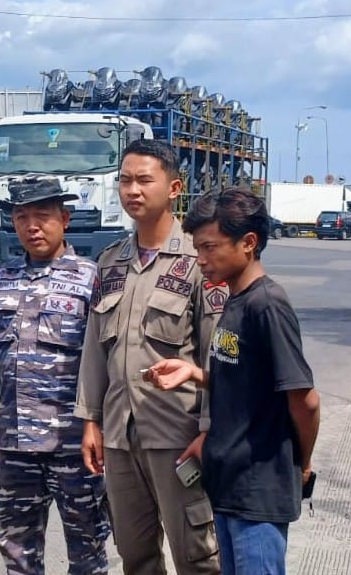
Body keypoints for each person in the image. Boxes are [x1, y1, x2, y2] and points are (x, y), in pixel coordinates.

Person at [146, 188, 321, 575]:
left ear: (249, 243)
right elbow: (247, 381)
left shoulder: (267, 305)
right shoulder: (234, 299)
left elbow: (304, 399)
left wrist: (301, 465)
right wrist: (195, 374)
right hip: (227, 484)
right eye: (197, 248)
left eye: (210, 247)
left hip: (258, 490)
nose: (201, 260)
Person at [75, 139, 223, 574]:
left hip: (178, 436)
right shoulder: (110, 263)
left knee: (196, 556)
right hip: (121, 437)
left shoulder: (200, 260)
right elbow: (95, 348)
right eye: (124, 180)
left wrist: (211, 429)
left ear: (174, 188)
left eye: (144, 180)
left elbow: (217, 355)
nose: (132, 190)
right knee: (134, 555)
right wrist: (90, 421)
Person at [0, 175, 111, 575]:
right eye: (22, 217)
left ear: (65, 218)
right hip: (16, 444)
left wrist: (101, 426)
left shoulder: (91, 278)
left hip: (76, 445)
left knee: (88, 548)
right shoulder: (2, 279)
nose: (32, 226)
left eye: (42, 216)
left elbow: (106, 361)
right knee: (17, 549)